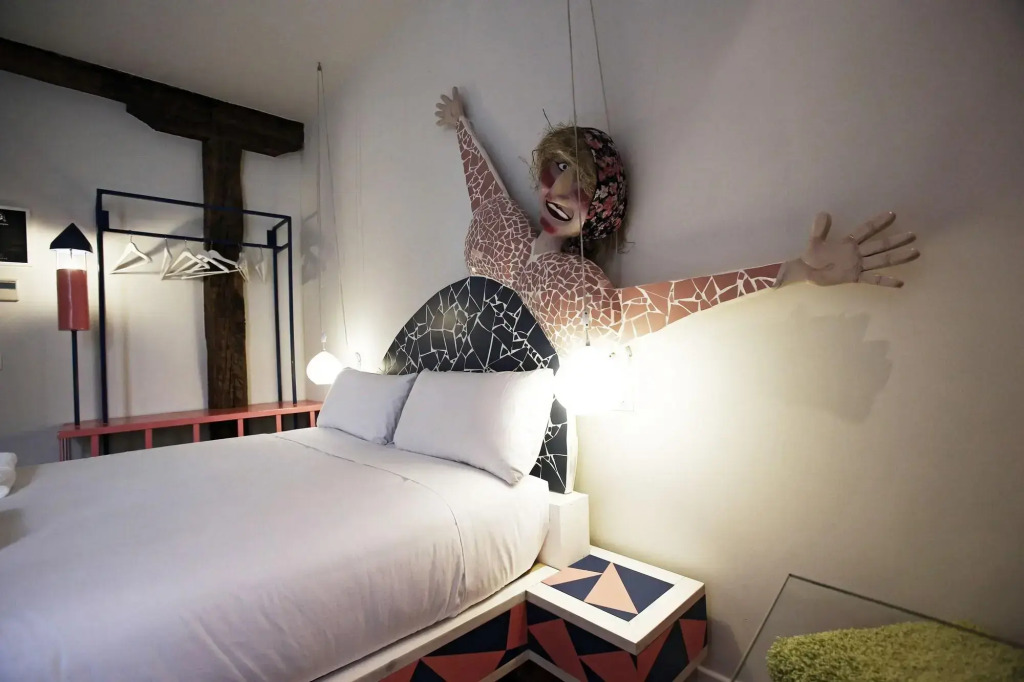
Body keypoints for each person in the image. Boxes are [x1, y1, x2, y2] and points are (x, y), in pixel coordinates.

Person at [435, 88, 919, 355]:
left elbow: (670, 300)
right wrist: (462, 126)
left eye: (580, 183)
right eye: (558, 167)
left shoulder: (579, 291)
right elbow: (485, 187)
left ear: (600, 210)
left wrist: (795, 271)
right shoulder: (507, 223)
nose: (559, 190)